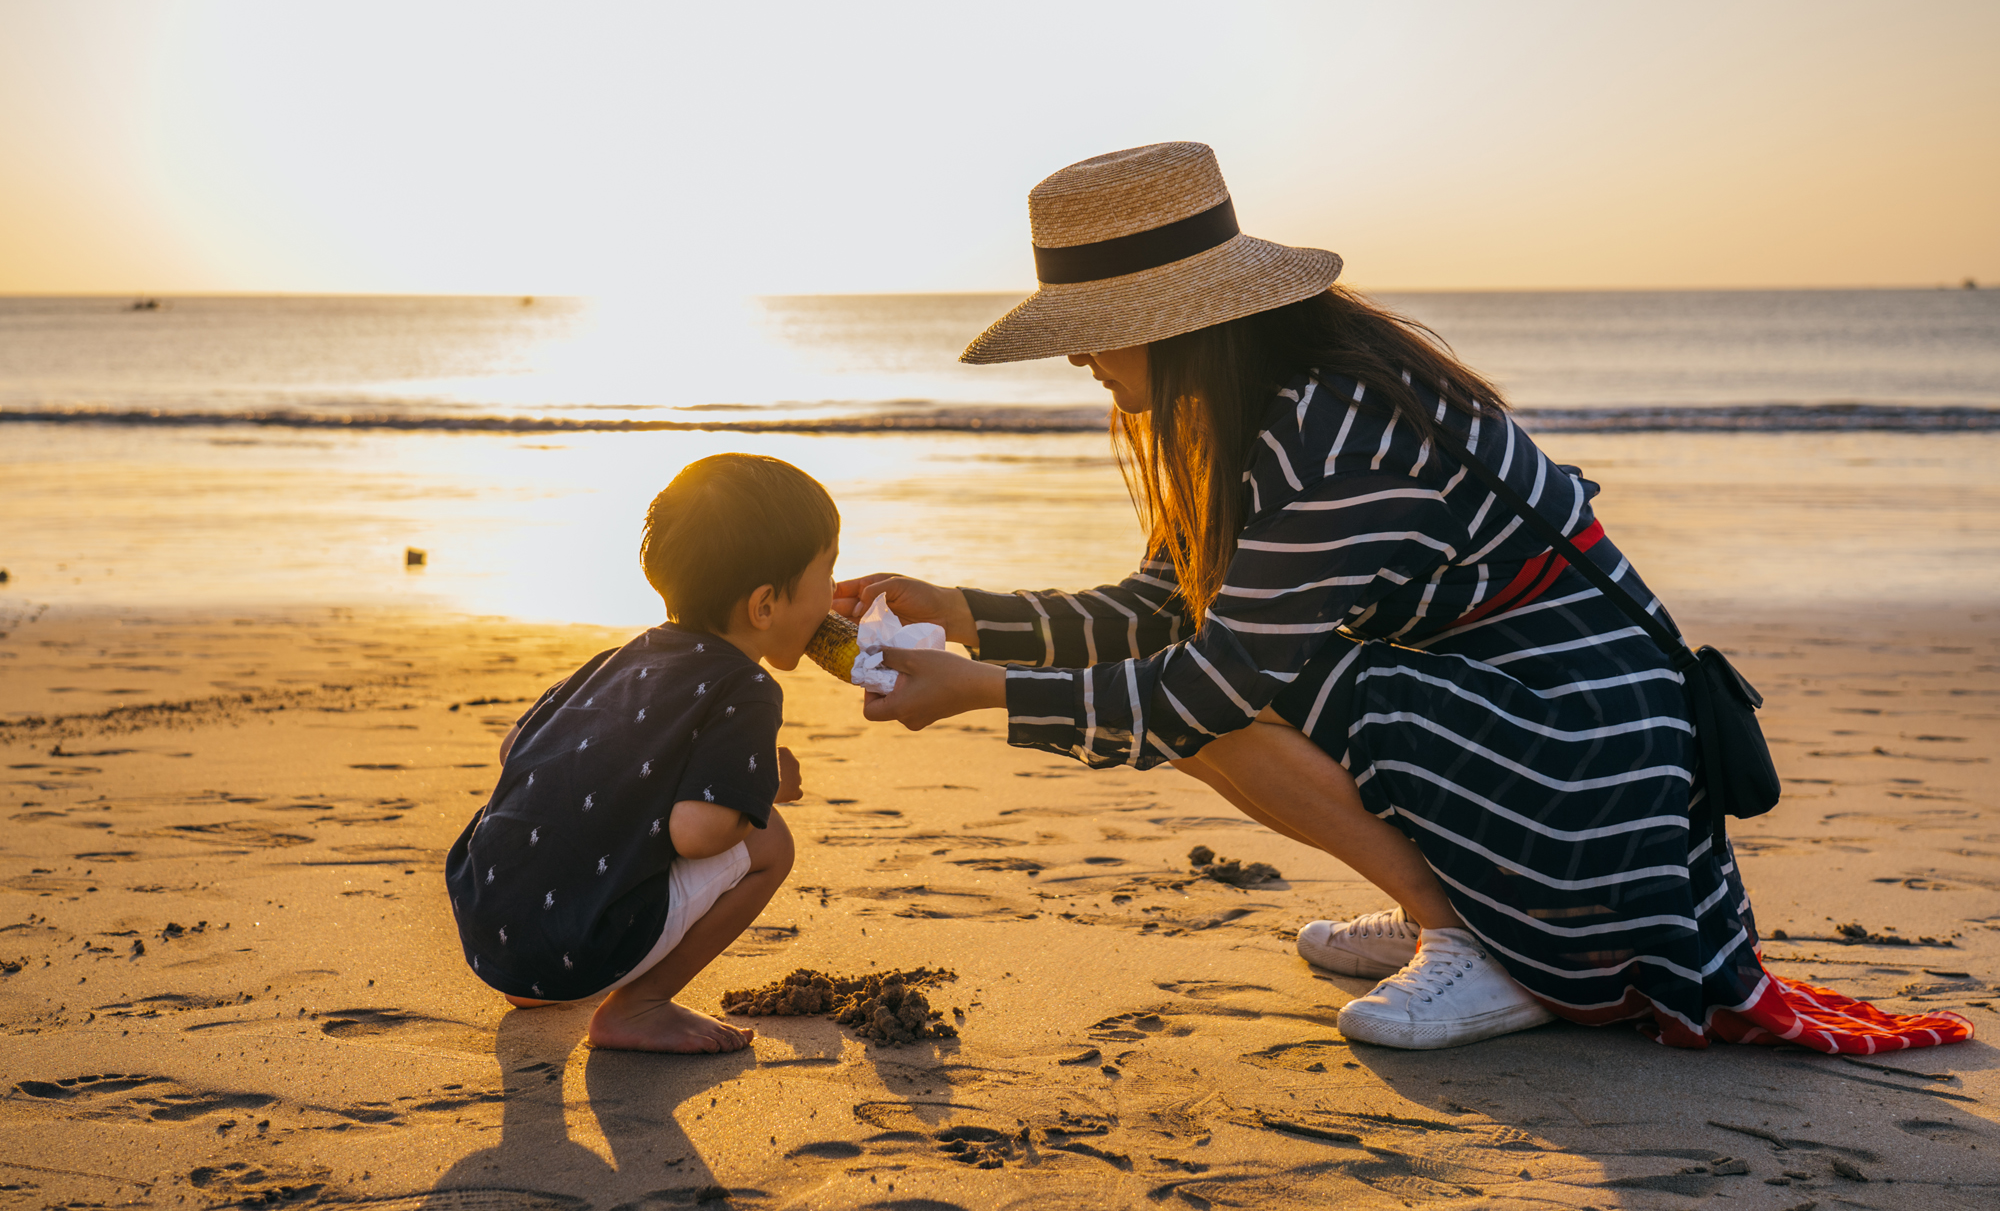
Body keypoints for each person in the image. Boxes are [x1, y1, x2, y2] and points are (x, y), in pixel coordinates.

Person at [839, 141, 1972, 1055]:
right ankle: (1471, 904)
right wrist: (961, 604)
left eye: (1089, 333)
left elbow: (1203, 684)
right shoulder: (1265, 404)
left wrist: (981, 690)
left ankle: (1474, 934)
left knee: (1221, 695)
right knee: (1225, 671)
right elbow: (1162, 602)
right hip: (1554, 730)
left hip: (1592, 768)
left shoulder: (1330, 428)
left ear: (1173, 319)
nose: (1077, 363)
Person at [445, 453, 836, 1053]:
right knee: (771, 844)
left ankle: (536, 982)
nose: (834, 592)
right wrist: (755, 786)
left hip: (487, 922)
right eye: (827, 575)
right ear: (764, 606)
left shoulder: (623, 656)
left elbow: (516, 748)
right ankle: (640, 1006)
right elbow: (697, 833)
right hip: (577, 950)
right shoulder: (748, 687)